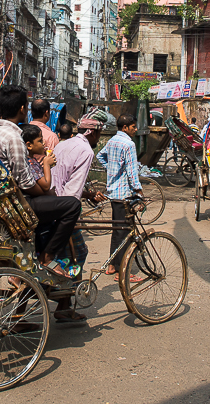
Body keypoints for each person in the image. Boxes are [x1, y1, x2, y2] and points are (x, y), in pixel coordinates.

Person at [0, 85, 75, 276]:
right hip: (16, 202)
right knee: (72, 205)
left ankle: (38, 253)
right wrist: (44, 189)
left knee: (51, 206)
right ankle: (47, 257)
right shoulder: (14, 137)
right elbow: (25, 182)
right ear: (23, 109)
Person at [48, 114, 106, 321]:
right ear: (92, 132)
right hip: (64, 211)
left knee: (62, 255)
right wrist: (71, 217)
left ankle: (64, 303)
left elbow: (63, 179)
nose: (99, 138)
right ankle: (62, 302)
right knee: (78, 253)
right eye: (99, 133)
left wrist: (89, 194)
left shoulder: (64, 144)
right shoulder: (86, 151)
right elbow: (72, 191)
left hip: (50, 203)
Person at [97, 114, 143, 278]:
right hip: (125, 194)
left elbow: (100, 156)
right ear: (125, 127)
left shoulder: (112, 141)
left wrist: (110, 169)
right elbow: (132, 172)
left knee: (117, 231)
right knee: (126, 232)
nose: (135, 129)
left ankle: (112, 265)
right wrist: (138, 190)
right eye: (133, 127)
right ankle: (123, 270)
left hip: (114, 193)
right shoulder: (128, 144)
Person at [22, 125, 53, 194]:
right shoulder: (30, 162)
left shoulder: (32, 159)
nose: (43, 143)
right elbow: (46, 186)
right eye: (40, 141)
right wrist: (46, 164)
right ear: (29, 145)